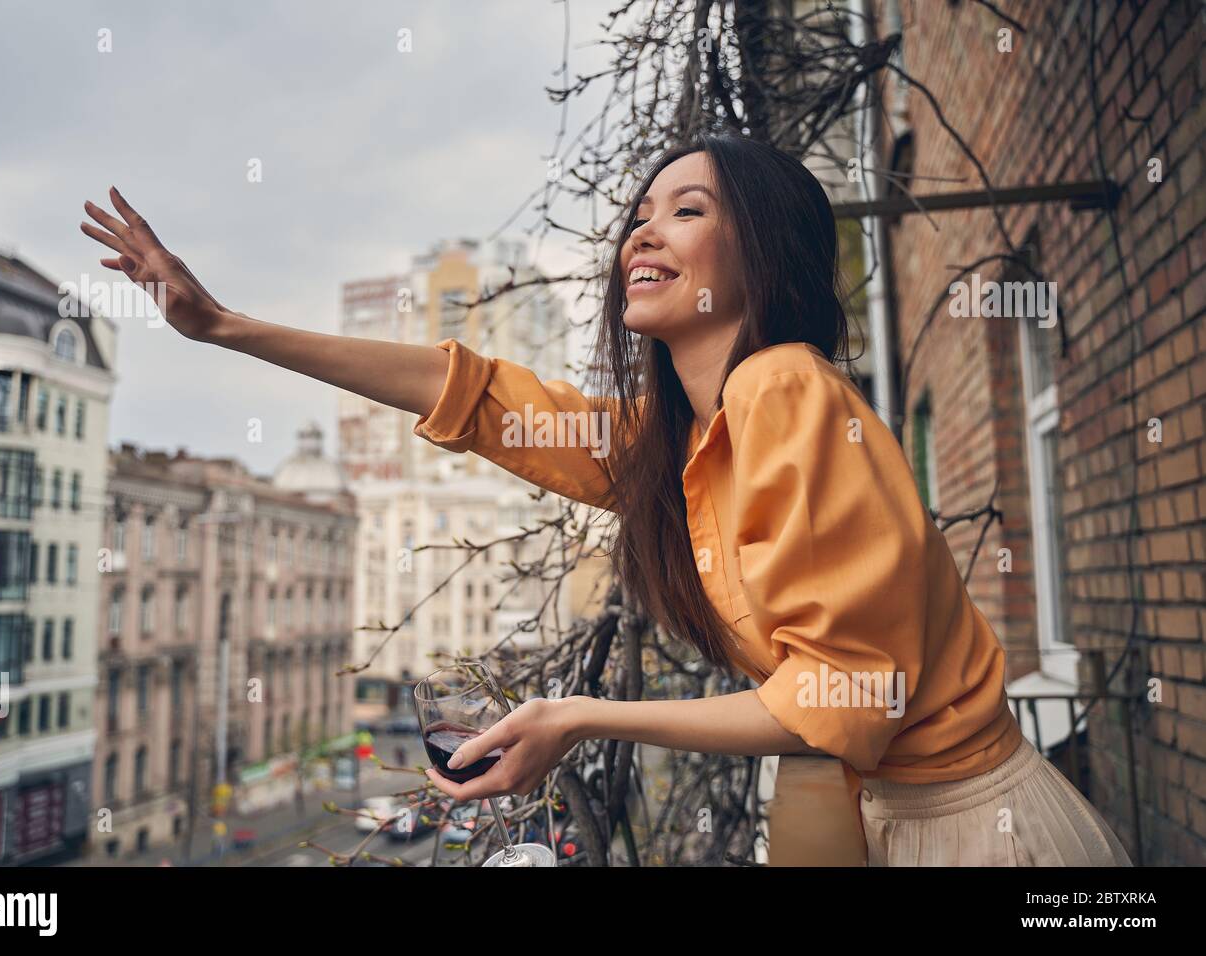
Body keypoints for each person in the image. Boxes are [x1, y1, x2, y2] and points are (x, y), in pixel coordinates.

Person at [80, 134, 1131, 866]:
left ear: (759, 254)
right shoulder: (679, 440)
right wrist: (225, 326)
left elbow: (844, 700)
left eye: (687, 209)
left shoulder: (785, 388)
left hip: (973, 834)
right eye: (637, 216)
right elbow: (475, 394)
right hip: (900, 823)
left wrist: (575, 713)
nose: (641, 232)